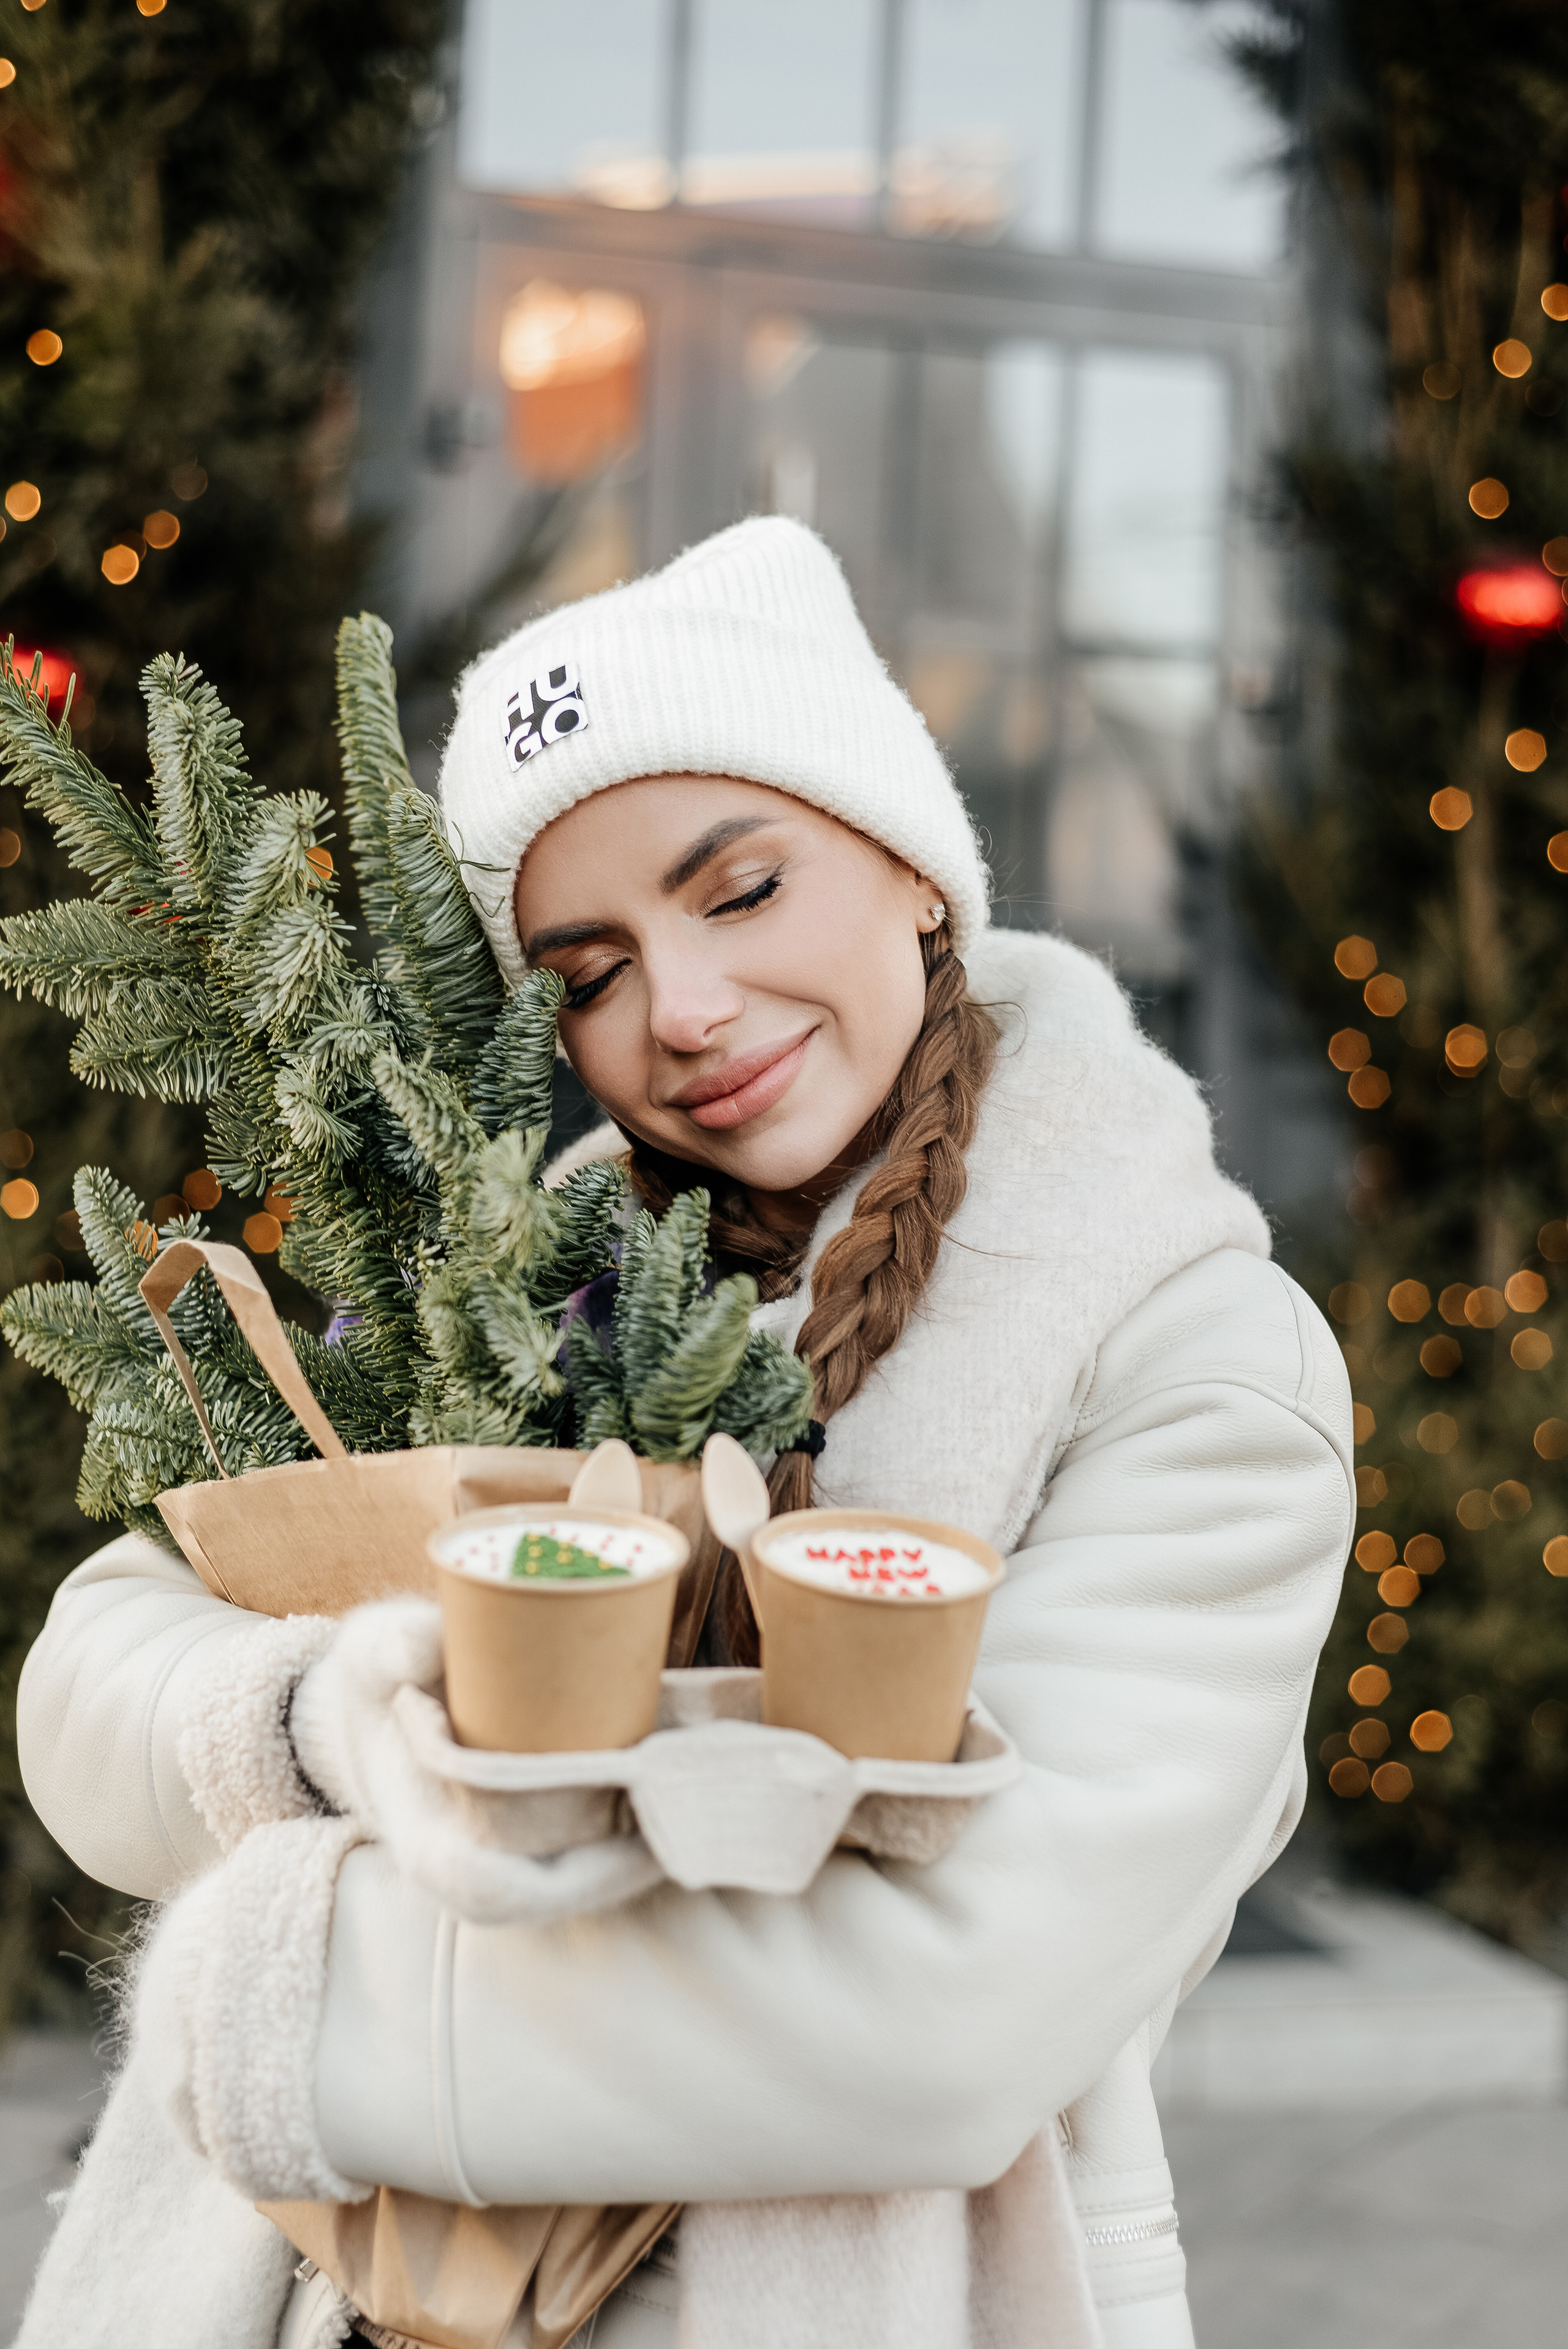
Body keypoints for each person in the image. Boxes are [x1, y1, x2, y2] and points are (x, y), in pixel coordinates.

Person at [15, 518, 1351, 2349]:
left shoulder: (1192, 1358)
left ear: (915, 870)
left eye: (736, 892)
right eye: (590, 969)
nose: (684, 1010)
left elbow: (941, 2014)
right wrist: (343, 1715)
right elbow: (109, 1652)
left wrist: (264, 1996)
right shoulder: (511, 1266)